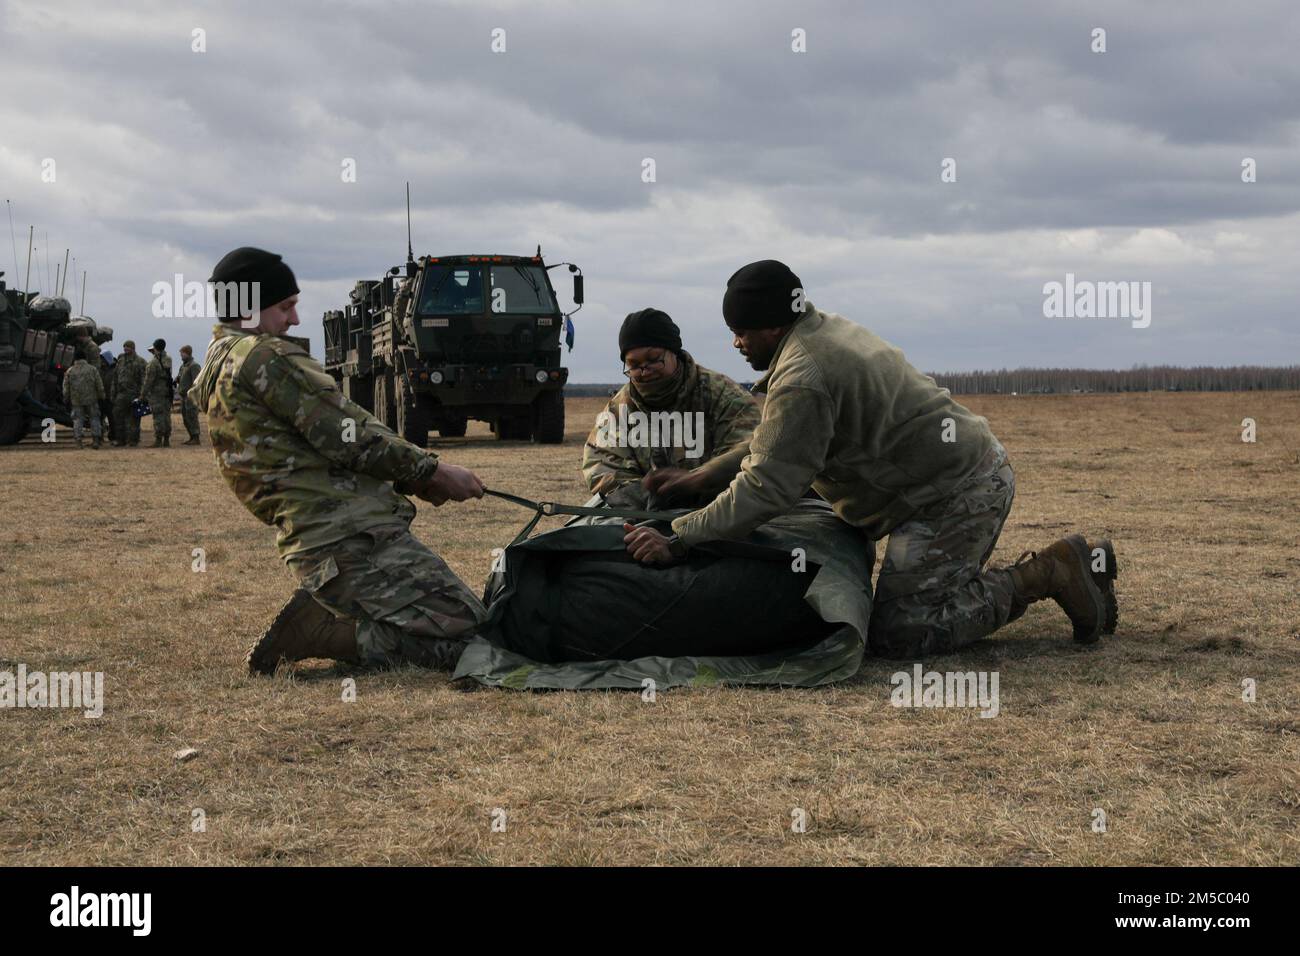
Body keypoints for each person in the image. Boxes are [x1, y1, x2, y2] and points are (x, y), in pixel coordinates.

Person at [624, 259, 1118, 656]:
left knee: (906, 630)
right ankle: (1085, 569)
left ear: (772, 328)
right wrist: (703, 477)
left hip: (954, 494)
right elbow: (776, 444)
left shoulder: (802, 376)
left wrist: (679, 538)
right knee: (913, 604)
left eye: (742, 332)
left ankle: (1051, 572)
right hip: (940, 482)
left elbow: (768, 487)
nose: (736, 343)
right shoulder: (817, 333)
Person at [187, 246, 490, 675]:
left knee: (468, 627)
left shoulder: (220, 361)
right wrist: (433, 471)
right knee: (475, 638)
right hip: (350, 539)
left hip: (325, 542)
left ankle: (336, 621)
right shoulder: (265, 358)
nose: (293, 319)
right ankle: (328, 633)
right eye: (285, 307)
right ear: (250, 307)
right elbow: (351, 434)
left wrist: (419, 479)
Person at [581, 308, 759, 507]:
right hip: (641, 515)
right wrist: (647, 497)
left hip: (719, 512)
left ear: (674, 353)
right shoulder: (619, 409)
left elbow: (748, 455)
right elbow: (602, 466)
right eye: (633, 364)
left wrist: (696, 484)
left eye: (653, 359)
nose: (644, 371)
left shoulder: (724, 397)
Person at [62, 356, 104, 449]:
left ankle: (79, 442)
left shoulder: (70, 370)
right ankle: (96, 440)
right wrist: (101, 396)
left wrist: (66, 398)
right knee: (94, 418)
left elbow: (66, 387)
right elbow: (99, 384)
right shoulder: (92, 369)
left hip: (76, 400)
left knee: (78, 420)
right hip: (92, 399)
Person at [110, 340, 147, 446]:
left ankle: (133, 440)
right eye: (124, 346)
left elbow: (144, 379)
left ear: (133, 348)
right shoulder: (120, 361)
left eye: (128, 346)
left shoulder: (140, 362)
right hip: (121, 394)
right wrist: (113, 393)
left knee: (133, 419)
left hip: (134, 394)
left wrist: (142, 395)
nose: (126, 348)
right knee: (118, 417)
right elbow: (115, 378)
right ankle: (121, 440)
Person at [140, 338, 174, 447]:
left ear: (155, 348)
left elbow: (148, 381)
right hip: (167, 391)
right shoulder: (168, 359)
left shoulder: (152, 363)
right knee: (166, 415)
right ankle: (167, 439)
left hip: (156, 392)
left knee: (158, 415)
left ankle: (158, 439)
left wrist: (143, 394)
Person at [175, 345, 202, 444]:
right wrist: (177, 379)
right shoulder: (183, 366)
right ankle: (191, 437)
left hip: (190, 396)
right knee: (186, 418)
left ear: (188, 353)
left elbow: (197, 381)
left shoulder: (194, 366)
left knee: (192, 417)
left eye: (182, 353)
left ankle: (196, 438)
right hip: (183, 396)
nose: (181, 355)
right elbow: (181, 377)